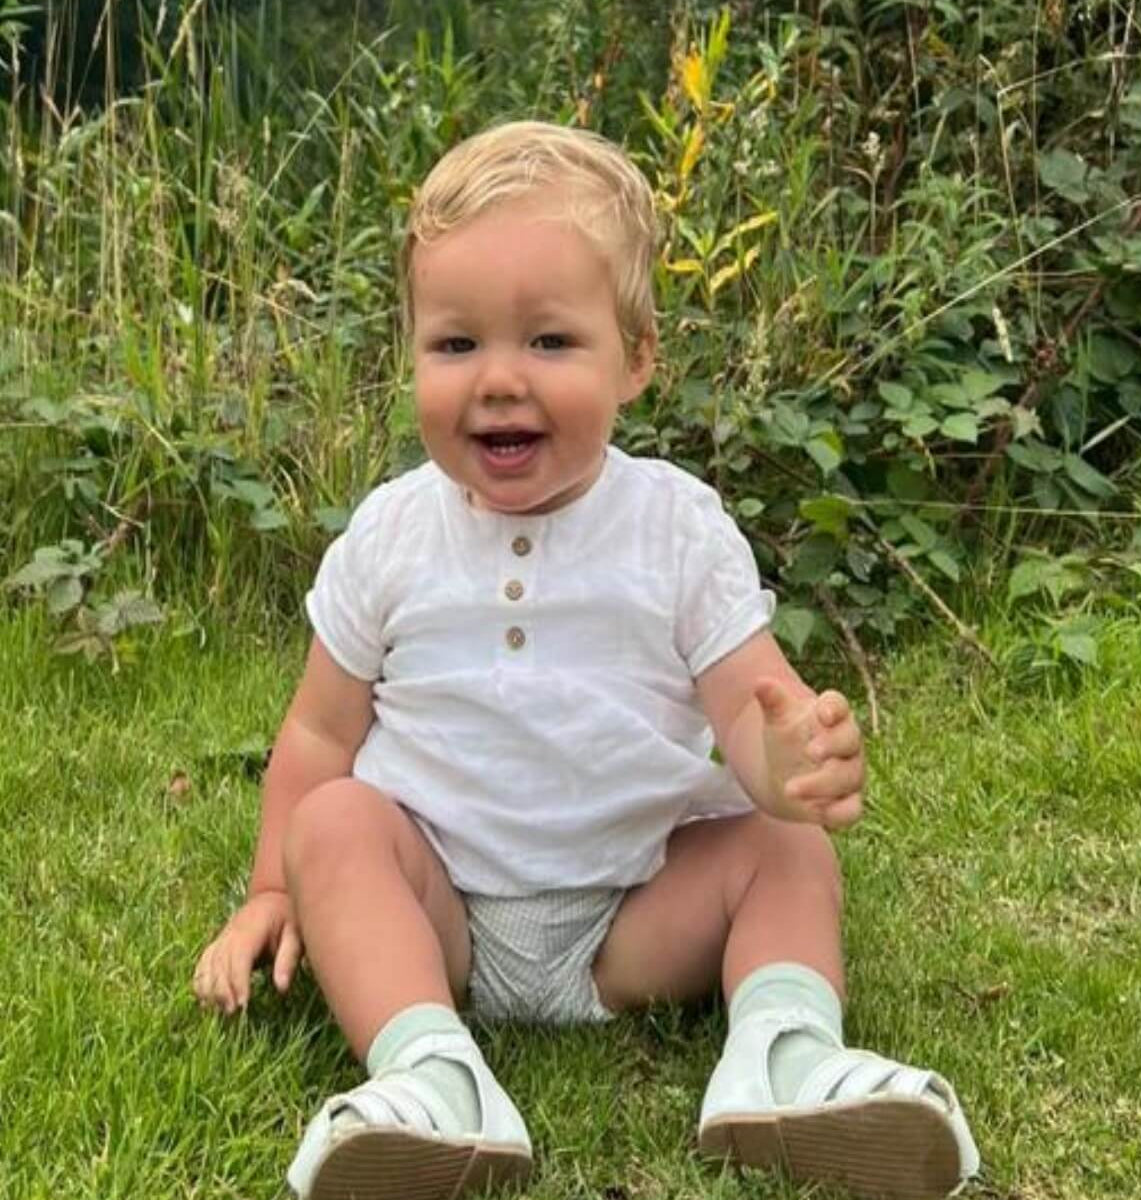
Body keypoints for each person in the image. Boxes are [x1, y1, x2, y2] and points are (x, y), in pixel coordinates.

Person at [192, 119, 979, 1200]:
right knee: (337, 824)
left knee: (783, 849)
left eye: (550, 344)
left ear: (637, 359)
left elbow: (749, 709)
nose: (500, 381)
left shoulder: (675, 527)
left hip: (635, 916)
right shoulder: (391, 534)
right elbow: (320, 734)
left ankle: (789, 1058)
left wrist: (789, 756)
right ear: (410, 353)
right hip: (444, 912)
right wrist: (270, 888)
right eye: (456, 345)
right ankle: (431, 1075)